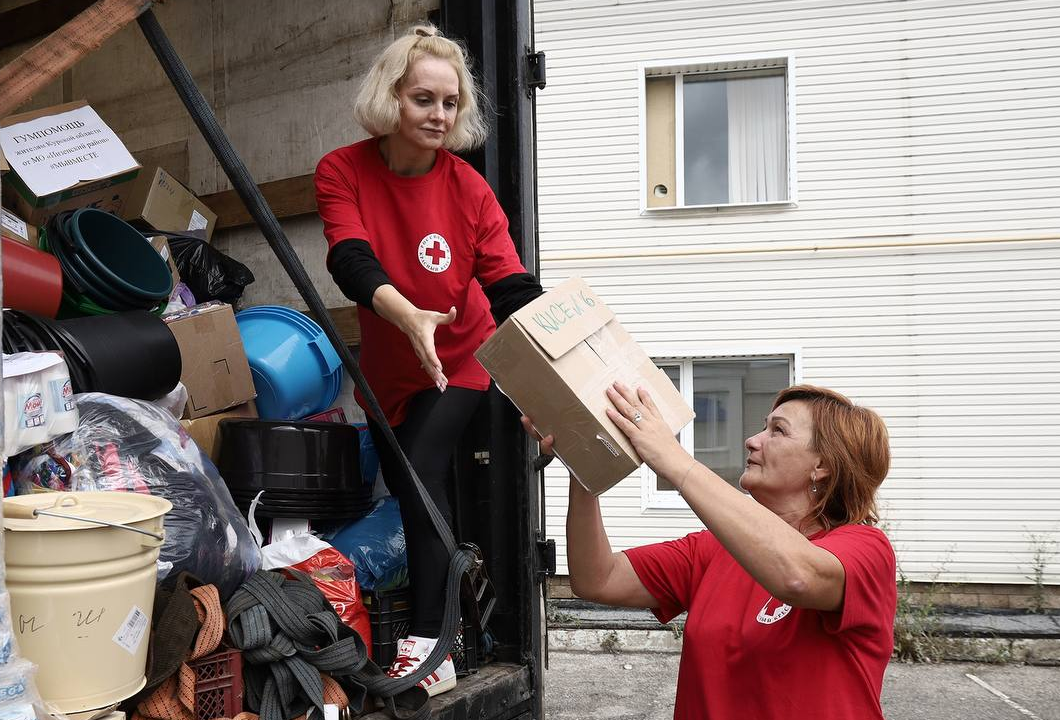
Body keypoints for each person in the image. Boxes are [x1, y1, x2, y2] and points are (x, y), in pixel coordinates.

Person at [314, 24, 543, 695]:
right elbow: (348, 255)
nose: (439, 115)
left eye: (449, 103)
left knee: (419, 474)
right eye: (423, 99)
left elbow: (509, 285)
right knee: (420, 491)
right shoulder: (342, 169)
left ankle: (430, 643)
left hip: (461, 356)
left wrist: (561, 362)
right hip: (391, 369)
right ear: (390, 99)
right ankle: (457, 624)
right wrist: (405, 312)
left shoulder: (468, 188)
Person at [524, 383, 896, 719]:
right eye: (763, 427)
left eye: (778, 431)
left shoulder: (866, 549)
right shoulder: (713, 548)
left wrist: (674, 459)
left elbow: (798, 576)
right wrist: (584, 463)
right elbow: (597, 579)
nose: (752, 440)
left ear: (823, 467)